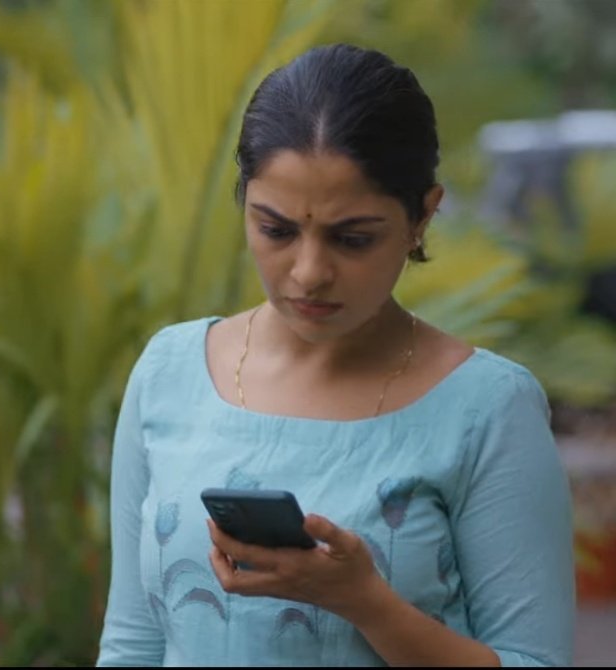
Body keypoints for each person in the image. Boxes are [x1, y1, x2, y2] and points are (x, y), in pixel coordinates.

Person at [96, 43, 575, 667]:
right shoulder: (170, 370)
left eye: (353, 239)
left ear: (421, 217)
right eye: (276, 229)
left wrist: (367, 604)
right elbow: (133, 644)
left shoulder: (487, 409)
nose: (309, 272)